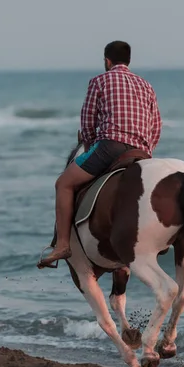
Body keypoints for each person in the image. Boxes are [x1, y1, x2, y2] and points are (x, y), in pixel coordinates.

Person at [37, 40, 162, 269]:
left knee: (63, 184)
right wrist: (146, 152)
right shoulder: (146, 85)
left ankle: (63, 244)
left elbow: (87, 123)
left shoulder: (99, 81)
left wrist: (92, 145)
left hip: (110, 147)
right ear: (129, 60)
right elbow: (156, 126)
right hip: (142, 152)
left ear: (107, 61)